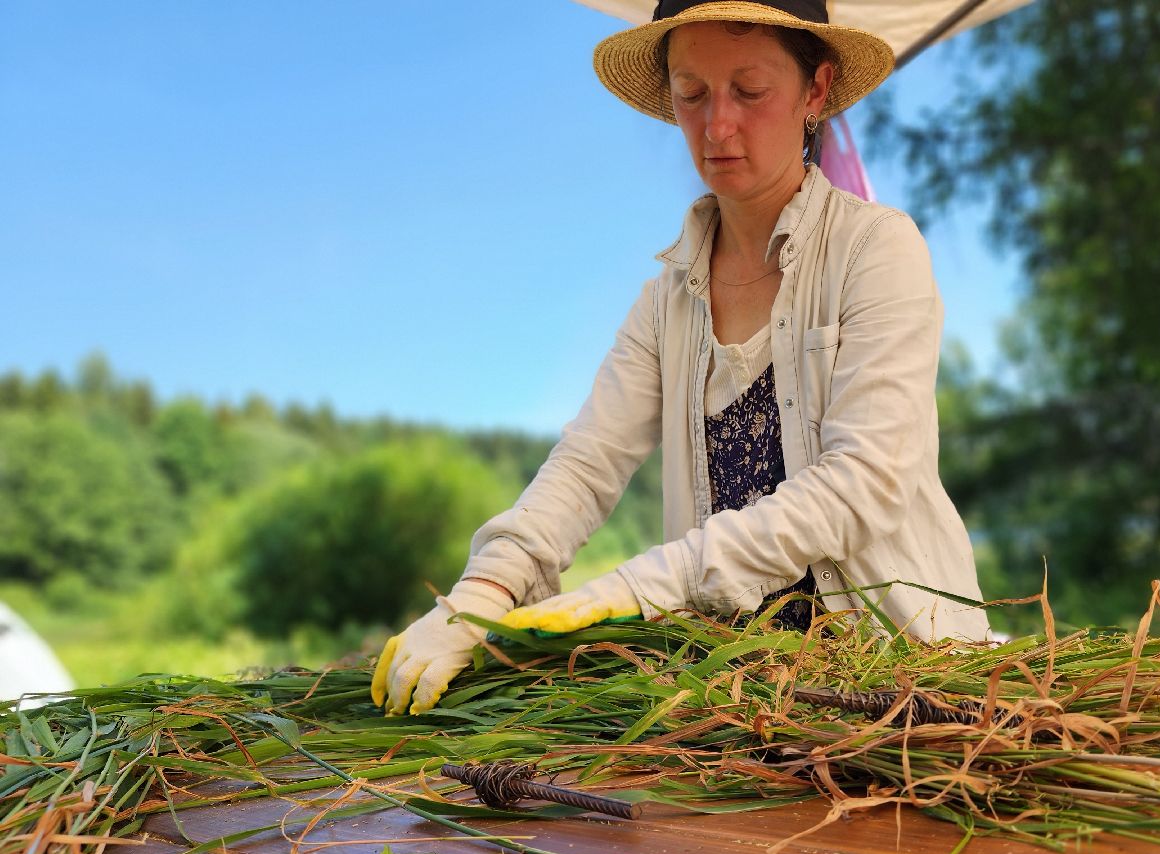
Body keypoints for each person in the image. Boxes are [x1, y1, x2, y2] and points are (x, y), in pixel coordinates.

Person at [372, 0, 989, 716]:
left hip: (905, 690)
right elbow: (585, 464)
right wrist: (480, 597)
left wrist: (644, 586)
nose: (716, 126)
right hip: (740, 699)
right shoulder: (667, 302)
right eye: (691, 93)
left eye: (750, 92)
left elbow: (864, 482)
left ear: (814, 91)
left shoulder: (876, 250)